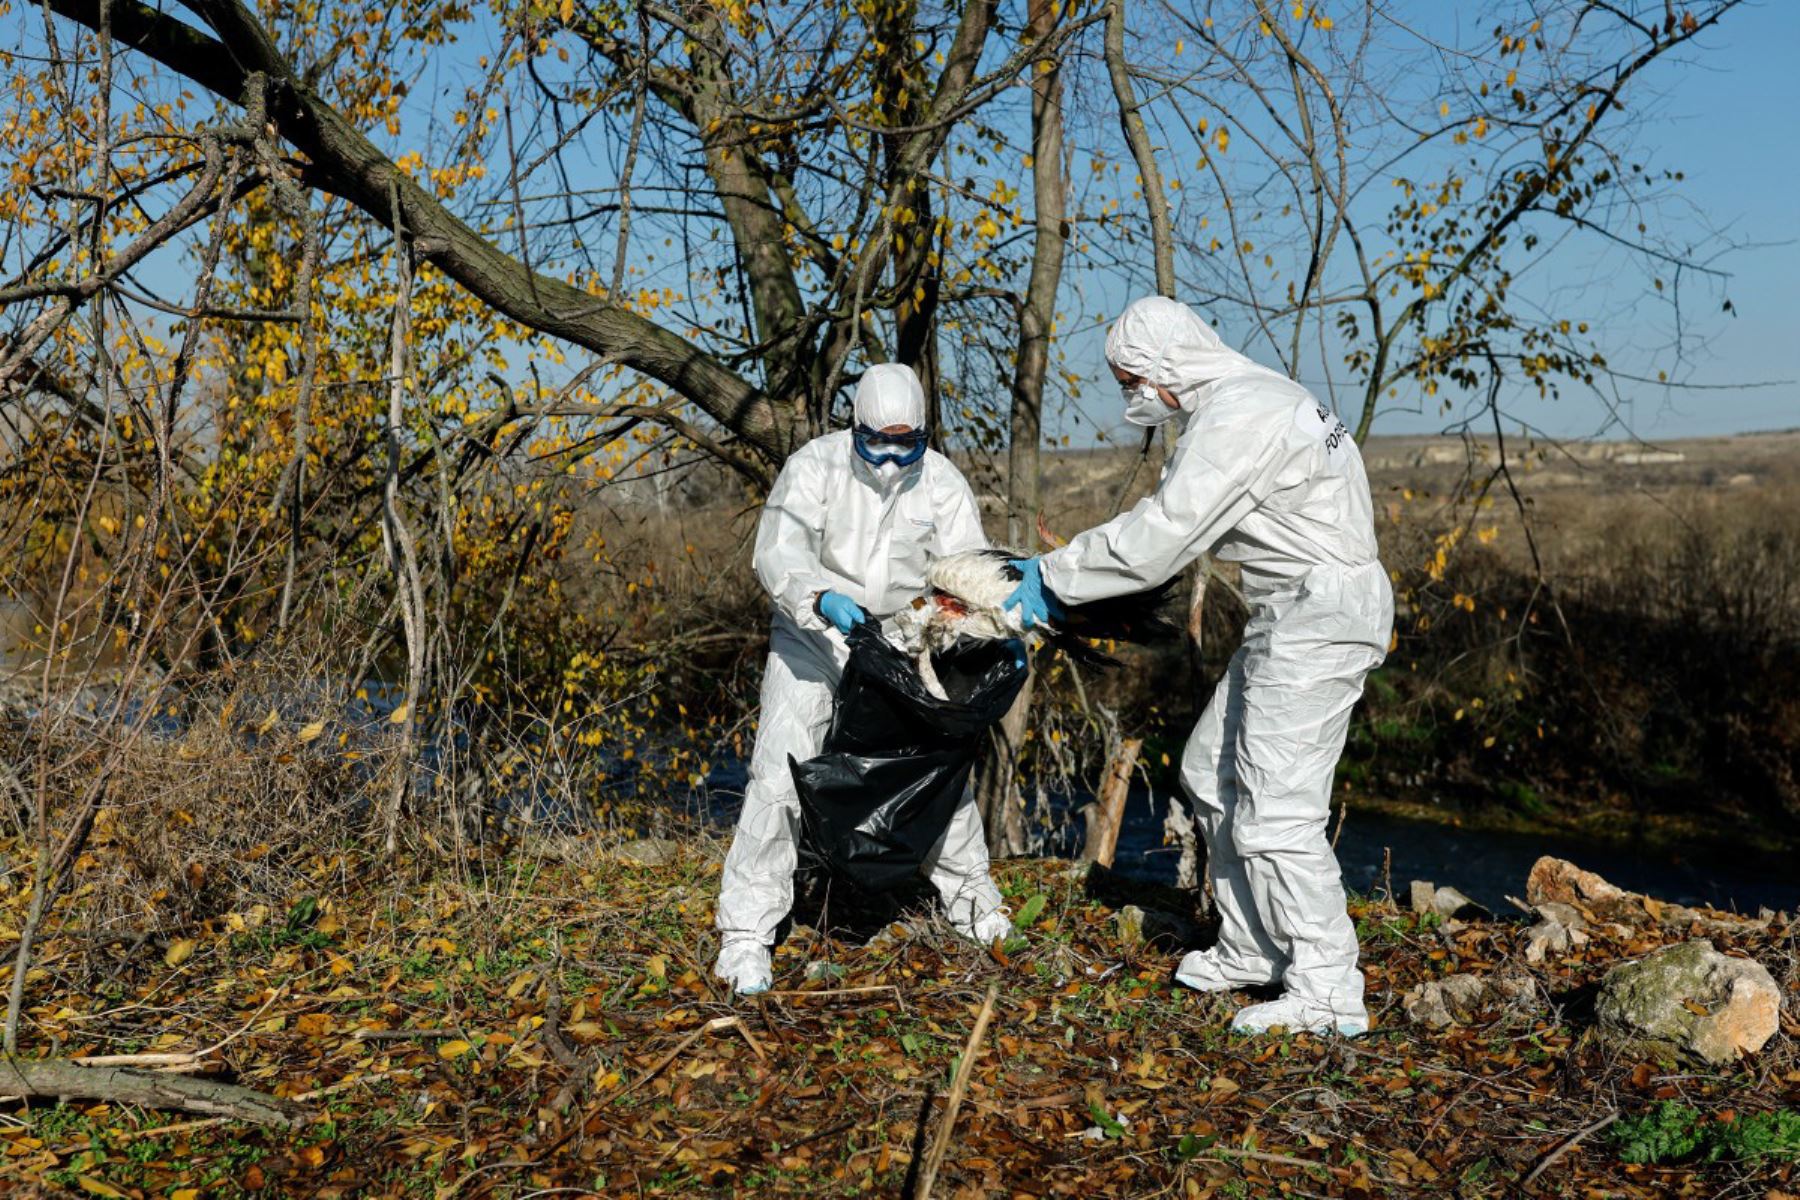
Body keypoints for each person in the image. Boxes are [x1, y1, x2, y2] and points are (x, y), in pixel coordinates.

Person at [1005, 297, 1393, 1036]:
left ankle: (1327, 987)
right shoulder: (1249, 400)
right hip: (1294, 610)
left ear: (1165, 368)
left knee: (1277, 806)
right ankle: (1252, 944)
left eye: (1131, 381)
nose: (1131, 397)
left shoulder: (1238, 418)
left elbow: (1161, 536)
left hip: (1322, 615)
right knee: (1212, 770)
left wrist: (1050, 577)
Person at [713, 363, 1014, 996]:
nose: (889, 457)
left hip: (904, 640)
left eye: (906, 443)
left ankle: (975, 904)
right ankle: (745, 934)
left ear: (925, 434)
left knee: (933, 766)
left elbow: (964, 568)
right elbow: (779, 550)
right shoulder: (814, 467)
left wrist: (972, 619)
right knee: (780, 770)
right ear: (854, 428)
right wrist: (819, 596)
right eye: (877, 441)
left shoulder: (942, 484)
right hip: (814, 636)